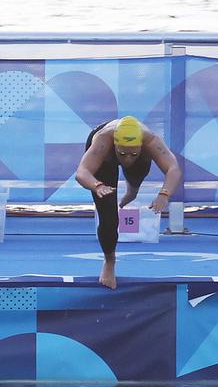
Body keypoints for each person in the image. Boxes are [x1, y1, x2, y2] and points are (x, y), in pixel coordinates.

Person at [73, 115, 183, 289]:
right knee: (108, 216)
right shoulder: (103, 141)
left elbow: (173, 169)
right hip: (105, 161)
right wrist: (97, 185)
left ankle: (133, 189)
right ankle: (109, 262)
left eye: (133, 154)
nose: (127, 159)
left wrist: (164, 194)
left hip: (139, 154)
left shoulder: (150, 141)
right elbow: (82, 172)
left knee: (136, 171)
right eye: (122, 154)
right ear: (115, 145)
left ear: (140, 145)